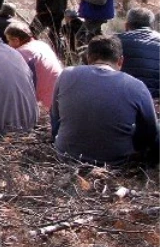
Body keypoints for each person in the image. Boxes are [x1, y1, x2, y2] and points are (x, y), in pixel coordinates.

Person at [51, 35, 159, 167]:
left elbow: (55, 117)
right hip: (116, 163)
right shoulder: (136, 86)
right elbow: (150, 131)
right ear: (120, 61)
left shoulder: (66, 74)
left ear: (88, 58)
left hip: (66, 157)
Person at [4, 22, 63, 111]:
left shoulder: (21, 53)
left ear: (16, 40)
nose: (8, 44)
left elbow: (14, 83)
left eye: (9, 40)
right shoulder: (42, 44)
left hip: (43, 105)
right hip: (60, 95)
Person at [118, 8, 160, 99]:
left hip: (123, 99)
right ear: (152, 26)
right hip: (155, 101)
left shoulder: (115, 41)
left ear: (126, 25)